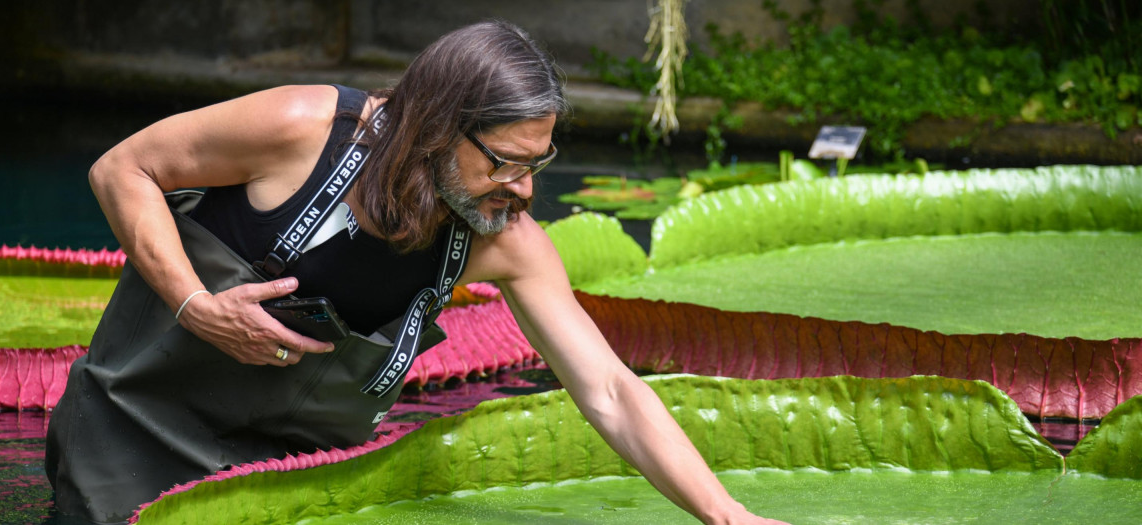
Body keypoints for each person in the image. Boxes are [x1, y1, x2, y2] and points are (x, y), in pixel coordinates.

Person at [45, 20, 786, 525]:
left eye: (539, 163)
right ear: (436, 127)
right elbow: (123, 168)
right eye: (506, 162)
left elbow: (613, 389)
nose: (526, 190)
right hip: (130, 434)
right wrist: (194, 303)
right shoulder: (301, 129)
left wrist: (726, 513)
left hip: (287, 474)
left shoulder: (506, 241)